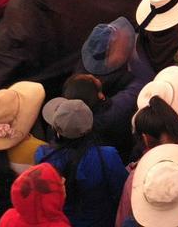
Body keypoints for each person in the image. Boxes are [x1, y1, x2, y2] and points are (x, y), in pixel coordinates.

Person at [34, 97, 127, 227]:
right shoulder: (107, 155)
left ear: (57, 130)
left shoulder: (42, 155)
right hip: (103, 221)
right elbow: (121, 191)